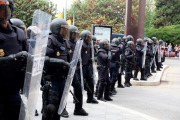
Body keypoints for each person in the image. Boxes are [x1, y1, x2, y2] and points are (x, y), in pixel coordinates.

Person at [0, 0, 30, 119]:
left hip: (13, 90)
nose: (2, 14)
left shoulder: (18, 33)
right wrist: (14, 58)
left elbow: (29, 56)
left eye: (4, 10)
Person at [42, 18, 71, 120]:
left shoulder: (65, 42)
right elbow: (44, 58)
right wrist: (60, 63)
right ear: (57, 28)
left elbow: (68, 58)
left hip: (62, 78)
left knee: (59, 107)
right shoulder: (49, 39)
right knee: (50, 107)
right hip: (52, 79)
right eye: (64, 29)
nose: (65, 32)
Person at [67, 25, 88, 116]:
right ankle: (62, 109)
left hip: (73, 70)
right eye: (75, 34)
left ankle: (78, 109)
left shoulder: (76, 44)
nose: (76, 36)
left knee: (78, 87)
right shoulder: (65, 43)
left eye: (77, 34)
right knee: (63, 90)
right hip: (64, 70)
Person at [80, 30, 98, 104]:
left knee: (90, 82)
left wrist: (92, 60)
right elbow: (79, 56)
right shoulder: (81, 44)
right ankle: (78, 98)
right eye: (88, 37)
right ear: (84, 37)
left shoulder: (89, 45)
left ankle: (90, 98)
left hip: (88, 66)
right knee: (80, 83)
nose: (90, 38)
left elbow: (92, 55)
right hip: (82, 67)